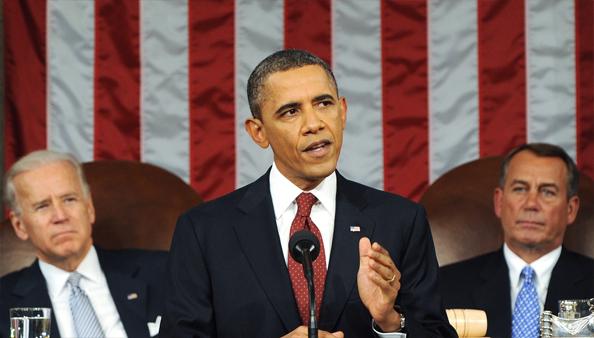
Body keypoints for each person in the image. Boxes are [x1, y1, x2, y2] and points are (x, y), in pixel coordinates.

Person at [160, 49, 456, 337]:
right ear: (258, 132)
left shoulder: (400, 220)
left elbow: (436, 332)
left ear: (342, 111)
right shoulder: (205, 231)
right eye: (290, 111)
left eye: (324, 103)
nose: (314, 124)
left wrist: (390, 322)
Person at [0, 150, 167, 338]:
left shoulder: (163, 273)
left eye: (69, 200)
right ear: (20, 226)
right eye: (43, 206)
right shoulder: (4, 302)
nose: (61, 216)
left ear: (89, 209)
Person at [439, 143, 594, 338]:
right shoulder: (446, 285)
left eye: (547, 192)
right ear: (499, 202)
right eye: (520, 189)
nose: (531, 204)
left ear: (571, 209)